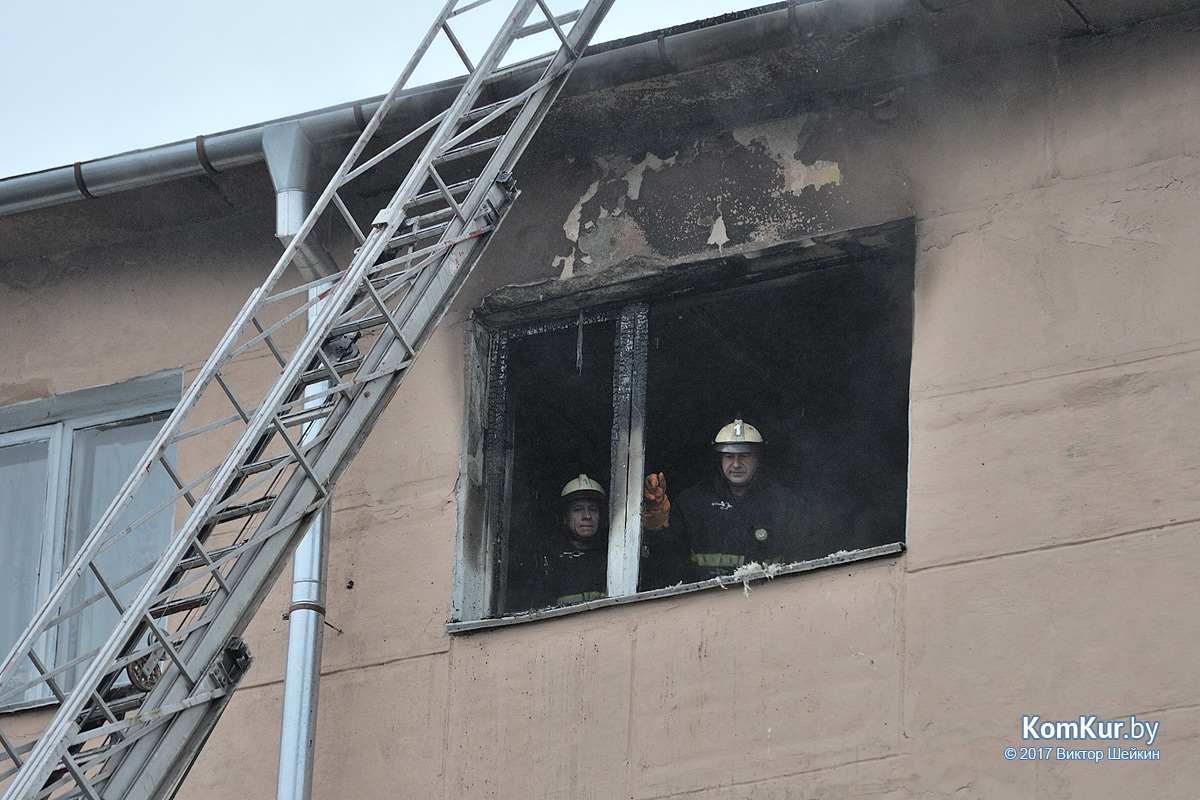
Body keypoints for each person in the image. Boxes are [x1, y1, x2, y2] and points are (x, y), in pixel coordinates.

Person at [641, 419, 824, 583]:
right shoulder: (692, 504)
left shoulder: (787, 505)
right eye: (729, 456)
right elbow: (666, 562)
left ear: (758, 458)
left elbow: (807, 567)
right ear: (719, 459)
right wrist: (655, 527)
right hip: (704, 606)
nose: (736, 464)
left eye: (744, 455)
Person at [536, 474, 609, 607]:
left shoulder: (612, 555)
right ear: (564, 517)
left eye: (593, 509)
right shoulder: (548, 558)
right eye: (577, 510)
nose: (587, 516)